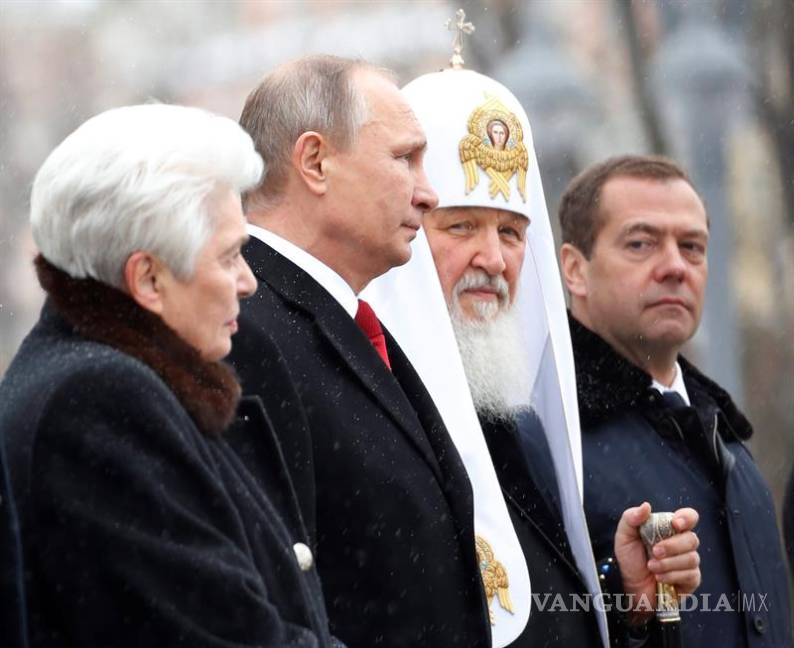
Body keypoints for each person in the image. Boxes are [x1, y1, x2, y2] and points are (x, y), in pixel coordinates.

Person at [364, 66, 701, 647]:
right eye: (462, 226)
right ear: (406, 229)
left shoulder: (517, 422)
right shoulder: (368, 409)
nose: (493, 260)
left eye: (512, 232)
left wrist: (621, 595)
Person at [0, 104, 338, 647]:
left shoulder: (104, 379)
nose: (248, 282)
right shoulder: (98, 402)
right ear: (148, 279)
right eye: (229, 257)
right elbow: (227, 634)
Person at [230, 55, 492, 647]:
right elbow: (272, 596)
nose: (428, 194)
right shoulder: (244, 329)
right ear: (315, 162)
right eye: (405, 159)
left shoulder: (339, 320)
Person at [559, 154, 793, 647]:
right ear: (575, 270)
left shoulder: (726, 439)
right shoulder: (548, 437)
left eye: (692, 247)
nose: (674, 267)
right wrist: (624, 602)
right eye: (640, 243)